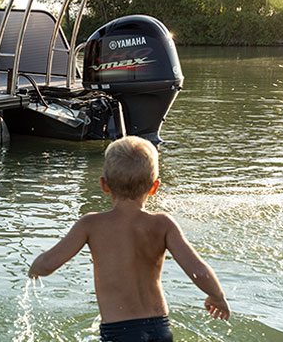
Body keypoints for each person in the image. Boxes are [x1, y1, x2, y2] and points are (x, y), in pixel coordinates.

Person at [29, 136, 230, 342]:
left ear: (104, 185)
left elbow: (48, 264)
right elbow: (198, 270)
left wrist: (34, 270)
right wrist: (217, 297)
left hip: (119, 332)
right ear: (154, 187)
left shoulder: (91, 224)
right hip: (160, 328)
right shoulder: (163, 224)